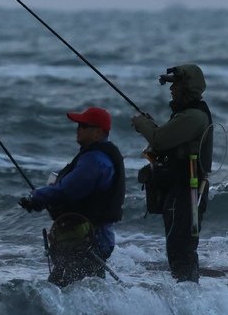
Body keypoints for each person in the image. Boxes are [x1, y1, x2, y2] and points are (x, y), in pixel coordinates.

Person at [18, 107, 125, 286]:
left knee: (66, 289)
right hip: (93, 237)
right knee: (87, 291)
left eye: (83, 125)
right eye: (78, 125)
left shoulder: (94, 161)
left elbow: (67, 191)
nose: (78, 129)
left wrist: (36, 197)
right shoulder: (97, 155)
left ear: (99, 131)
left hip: (89, 240)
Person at [131, 63, 214, 283]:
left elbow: (159, 139)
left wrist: (142, 124)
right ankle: (189, 295)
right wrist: (150, 127)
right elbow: (165, 142)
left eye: (175, 84)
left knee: (180, 250)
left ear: (187, 86)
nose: (171, 89)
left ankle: (190, 299)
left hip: (187, 193)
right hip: (182, 191)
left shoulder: (193, 116)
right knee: (178, 250)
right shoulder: (186, 115)